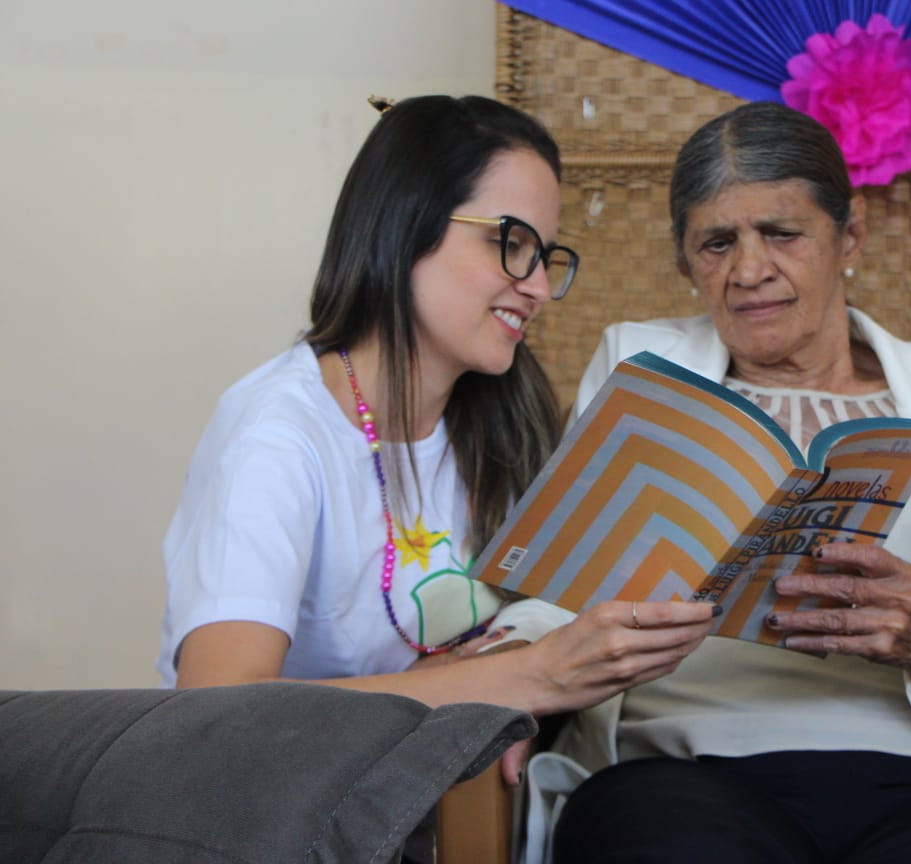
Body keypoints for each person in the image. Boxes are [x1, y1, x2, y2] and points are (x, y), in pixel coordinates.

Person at [494, 101, 911, 863]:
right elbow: (560, 589)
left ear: (849, 236)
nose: (750, 271)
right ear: (686, 263)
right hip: (687, 764)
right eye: (717, 243)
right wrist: (498, 678)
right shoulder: (642, 370)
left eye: (782, 233)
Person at [157, 95, 718, 780]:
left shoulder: (503, 416)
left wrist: (503, 674)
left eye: (545, 256)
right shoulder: (278, 436)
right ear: (406, 226)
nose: (539, 288)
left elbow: (524, 617)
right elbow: (218, 716)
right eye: (511, 244)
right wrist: (522, 680)